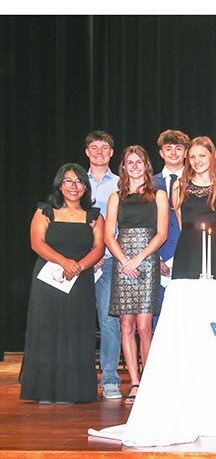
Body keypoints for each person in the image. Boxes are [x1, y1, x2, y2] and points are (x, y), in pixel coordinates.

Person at [20, 164, 105, 403]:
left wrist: (79, 266)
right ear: (59, 185)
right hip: (48, 280)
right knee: (46, 330)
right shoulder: (45, 211)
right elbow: (37, 243)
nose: (74, 186)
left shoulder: (95, 216)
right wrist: (64, 261)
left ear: (85, 187)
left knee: (76, 331)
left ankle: (73, 391)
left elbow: (99, 248)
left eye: (79, 182)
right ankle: (44, 390)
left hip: (80, 279)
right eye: (68, 181)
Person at [105, 146, 169, 402]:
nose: (134, 166)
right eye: (129, 162)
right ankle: (134, 382)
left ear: (146, 165)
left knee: (145, 326)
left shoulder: (159, 195)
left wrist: (139, 259)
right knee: (126, 325)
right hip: (123, 261)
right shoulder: (115, 197)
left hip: (147, 260)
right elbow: (109, 234)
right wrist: (124, 261)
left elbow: (162, 233)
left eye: (138, 161)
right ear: (123, 167)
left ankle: (151, 380)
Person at [85, 130, 122, 400]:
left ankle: (110, 379)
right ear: (87, 152)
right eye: (94, 147)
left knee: (109, 322)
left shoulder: (121, 185)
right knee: (75, 321)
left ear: (111, 153)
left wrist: (101, 256)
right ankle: (78, 376)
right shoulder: (73, 181)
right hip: (77, 262)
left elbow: (121, 226)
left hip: (109, 262)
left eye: (104, 148)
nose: (99, 152)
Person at [172, 136, 216, 279]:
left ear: (212, 156)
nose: (196, 161)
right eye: (192, 157)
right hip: (188, 249)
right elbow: (180, 220)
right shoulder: (179, 185)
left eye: (202, 155)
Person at [152, 129, 190, 315]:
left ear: (186, 152)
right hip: (157, 255)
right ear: (161, 153)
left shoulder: (195, 182)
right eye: (168, 148)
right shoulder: (149, 184)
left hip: (187, 254)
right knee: (157, 315)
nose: (174, 153)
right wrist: (156, 257)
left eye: (179, 148)